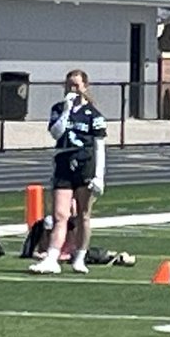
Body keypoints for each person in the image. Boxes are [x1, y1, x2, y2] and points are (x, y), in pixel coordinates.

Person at [30, 69, 106, 275]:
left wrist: (99, 176)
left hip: (84, 163)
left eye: (76, 85)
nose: (72, 89)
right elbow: (56, 132)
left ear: (84, 87)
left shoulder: (93, 114)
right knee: (60, 214)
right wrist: (66, 110)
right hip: (63, 162)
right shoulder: (58, 108)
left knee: (83, 215)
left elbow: (99, 145)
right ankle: (52, 257)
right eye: (69, 85)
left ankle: (80, 256)